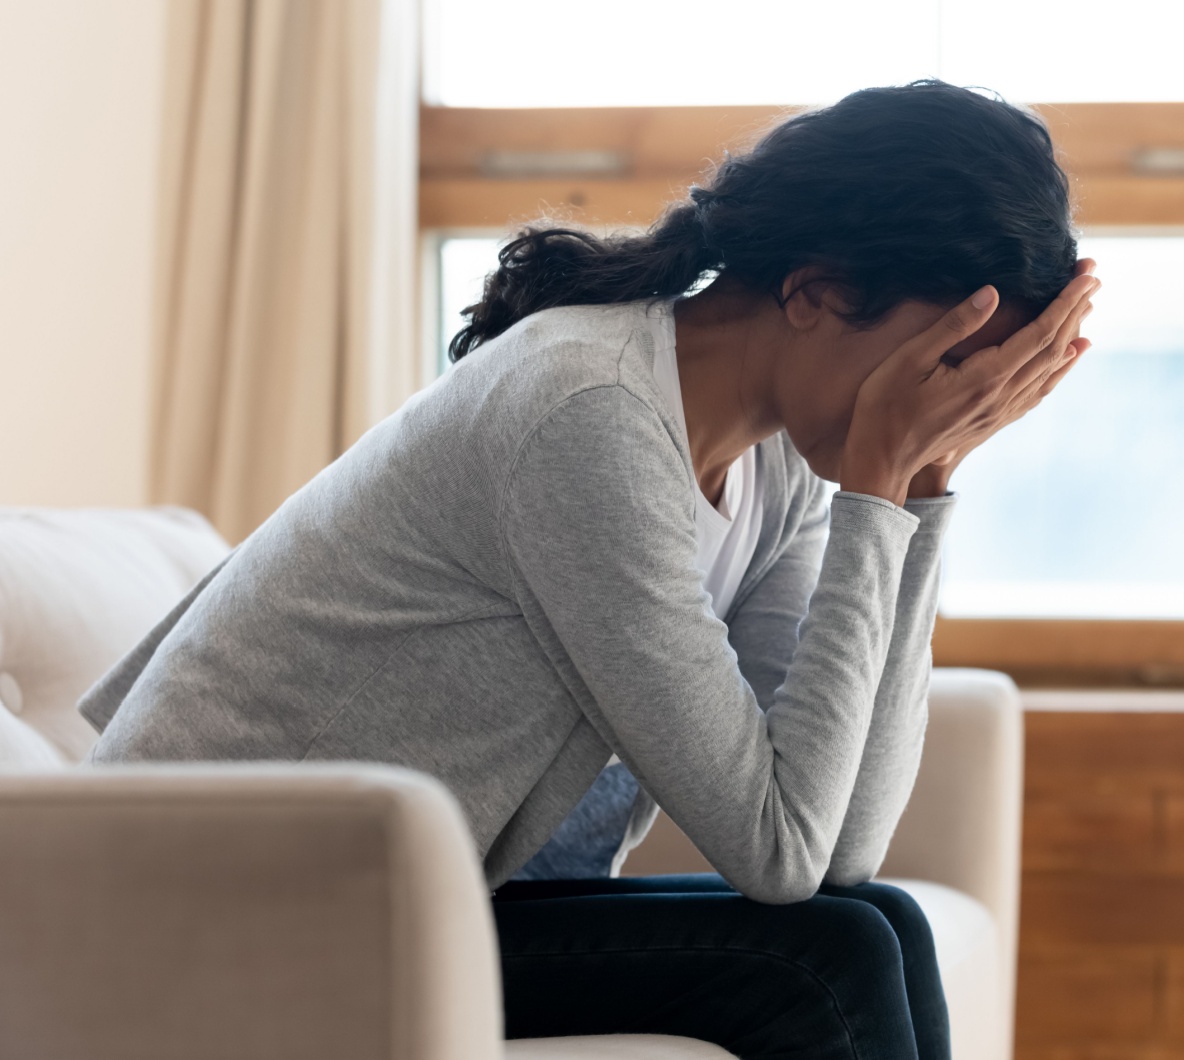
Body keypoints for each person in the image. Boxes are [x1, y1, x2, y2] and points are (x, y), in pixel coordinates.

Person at [79, 79, 1098, 1058]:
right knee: (820, 960)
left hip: (407, 896)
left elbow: (839, 850)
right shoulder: (588, 414)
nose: (948, 402)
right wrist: (880, 485)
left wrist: (920, 490)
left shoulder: (774, 464)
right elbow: (779, 857)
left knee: (876, 920)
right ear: (814, 292)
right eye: (944, 366)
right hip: (219, 915)